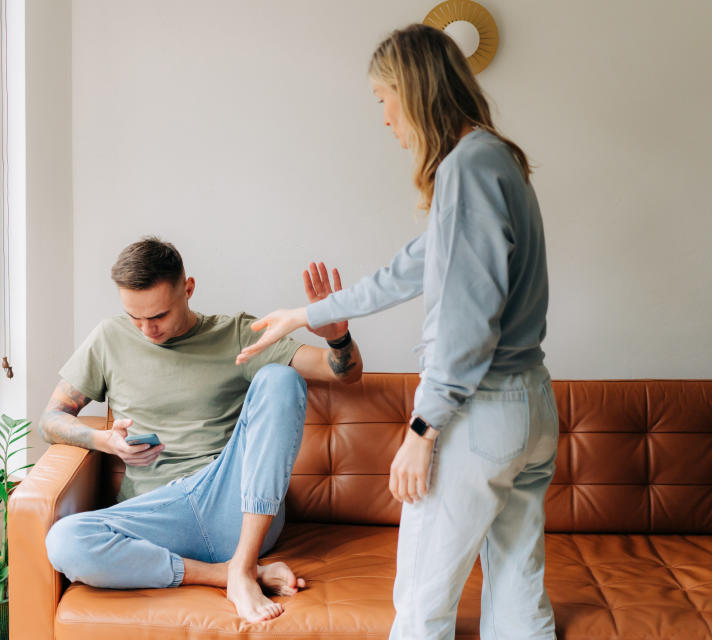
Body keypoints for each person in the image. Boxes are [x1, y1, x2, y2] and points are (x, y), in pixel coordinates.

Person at [236, 24, 558, 639]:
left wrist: (423, 427)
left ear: (414, 91)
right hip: (531, 408)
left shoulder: (467, 166)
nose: (383, 116)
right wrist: (305, 314)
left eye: (383, 96)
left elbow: (469, 319)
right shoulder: (495, 157)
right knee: (517, 593)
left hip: (480, 414)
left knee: (421, 603)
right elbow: (410, 267)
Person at [42, 236, 362, 623]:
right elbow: (52, 419)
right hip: (158, 514)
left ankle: (243, 562)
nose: (147, 329)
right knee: (64, 541)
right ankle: (235, 575)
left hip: (232, 503)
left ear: (188, 289)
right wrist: (103, 440)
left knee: (280, 378)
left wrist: (336, 338)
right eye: (135, 318)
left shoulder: (237, 335)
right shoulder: (109, 338)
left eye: (158, 315)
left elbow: (341, 373)